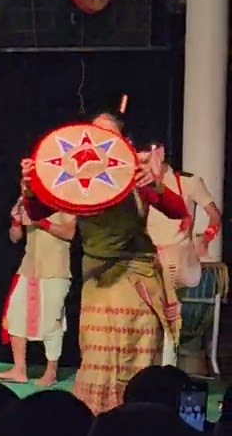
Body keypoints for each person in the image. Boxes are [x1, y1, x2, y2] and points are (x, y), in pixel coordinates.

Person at [21, 111, 188, 413]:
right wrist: (31, 186)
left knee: (135, 356)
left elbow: (177, 211)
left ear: (121, 143)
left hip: (136, 278)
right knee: (98, 359)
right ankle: (96, 426)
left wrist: (156, 185)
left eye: (107, 136)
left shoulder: (135, 173)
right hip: (98, 279)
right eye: (93, 133)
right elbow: (35, 212)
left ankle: (138, 422)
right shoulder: (73, 177)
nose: (96, 142)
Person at [143, 147, 223, 366]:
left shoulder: (188, 182)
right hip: (148, 256)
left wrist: (205, 238)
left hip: (177, 257)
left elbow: (214, 216)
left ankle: (168, 368)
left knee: (170, 316)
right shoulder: (139, 182)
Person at [0, 197, 75, 386]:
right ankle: (19, 370)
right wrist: (16, 221)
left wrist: (39, 221)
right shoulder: (29, 204)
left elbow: (69, 233)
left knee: (51, 322)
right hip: (28, 269)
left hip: (55, 270)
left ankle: (51, 372)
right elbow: (15, 238)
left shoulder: (64, 201)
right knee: (15, 316)